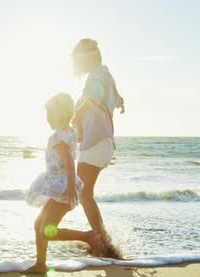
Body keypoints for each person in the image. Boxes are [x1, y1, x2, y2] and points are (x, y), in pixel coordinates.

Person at [24, 93, 101, 274]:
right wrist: (87, 105)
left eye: (50, 114)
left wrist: (69, 185)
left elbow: (68, 160)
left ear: (60, 115)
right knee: (39, 225)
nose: (48, 118)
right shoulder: (71, 131)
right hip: (58, 185)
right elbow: (77, 127)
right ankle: (41, 264)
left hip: (61, 188)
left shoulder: (57, 137)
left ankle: (87, 236)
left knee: (45, 229)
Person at [72, 38, 124, 258]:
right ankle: (101, 241)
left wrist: (77, 114)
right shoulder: (105, 75)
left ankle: (101, 244)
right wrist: (121, 103)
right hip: (103, 143)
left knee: (84, 194)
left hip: (96, 143)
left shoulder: (96, 76)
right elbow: (118, 98)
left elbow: (94, 97)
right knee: (85, 193)